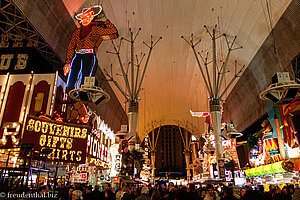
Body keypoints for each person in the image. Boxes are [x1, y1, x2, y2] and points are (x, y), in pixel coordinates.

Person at [63, 5, 118, 96]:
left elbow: (113, 31)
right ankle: (73, 96)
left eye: (88, 16)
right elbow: (71, 46)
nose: (85, 19)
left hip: (89, 56)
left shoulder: (96, 30)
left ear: (92, 17)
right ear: (80, 19)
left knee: (85, 79)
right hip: (77, 56)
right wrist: (68, 62)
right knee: (71, 80)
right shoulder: (77, 32)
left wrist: (104, 20)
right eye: (83, 17)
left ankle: (83, 95)